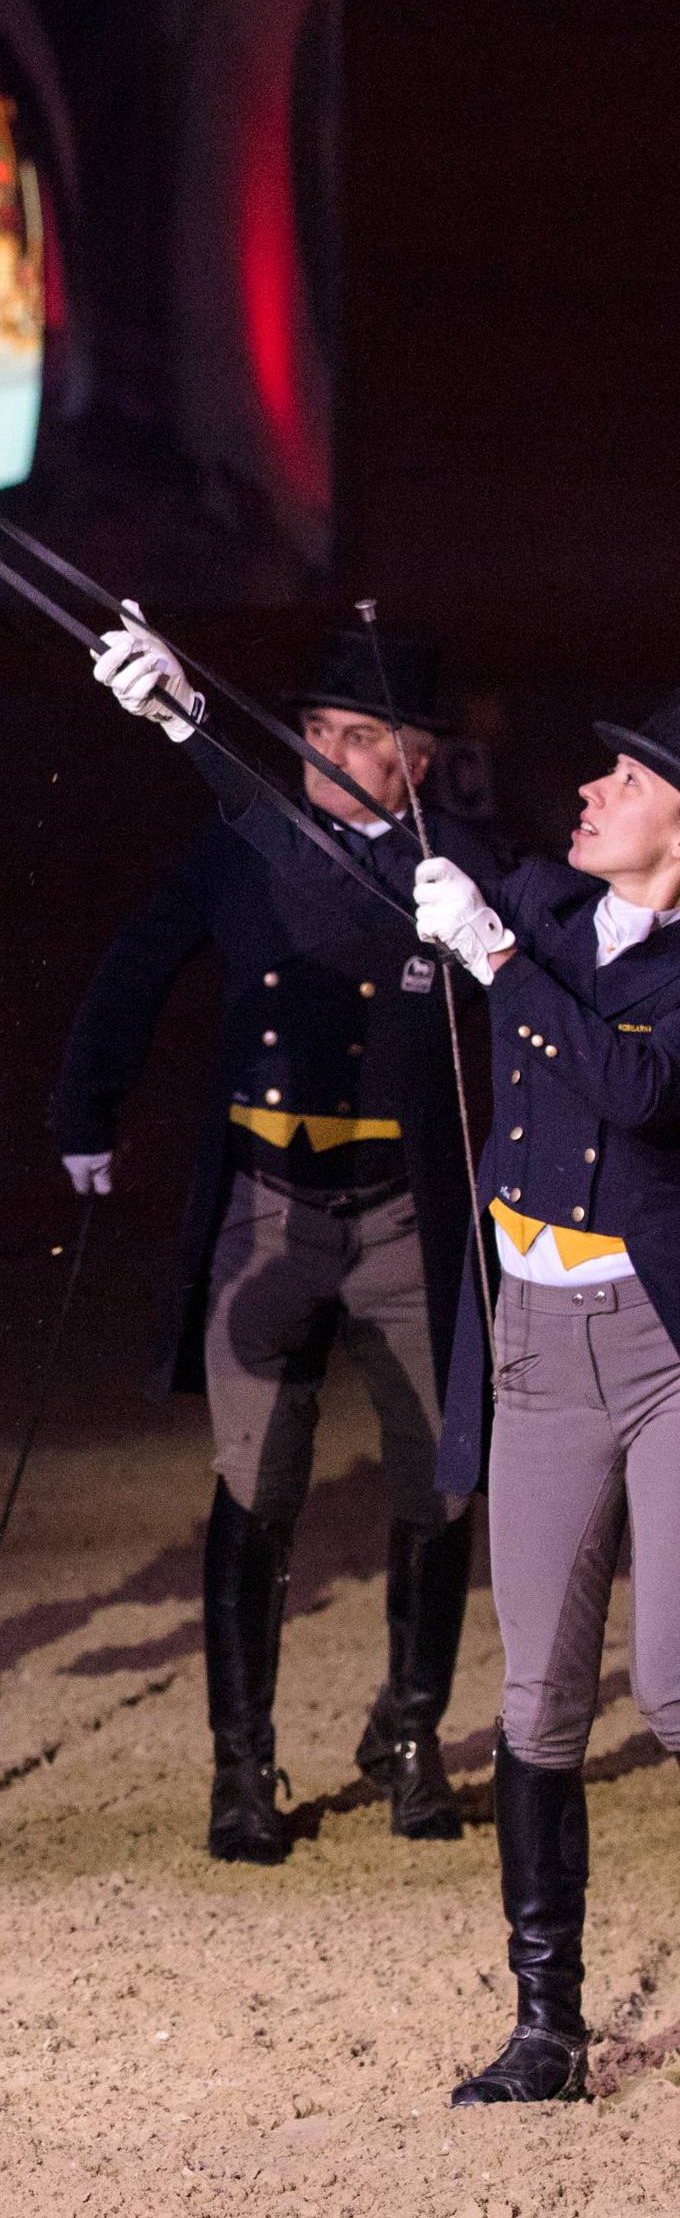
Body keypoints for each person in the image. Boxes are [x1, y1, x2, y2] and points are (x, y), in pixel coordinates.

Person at [56, 619, 501, 1866]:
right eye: (313, 733)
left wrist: (202, 737)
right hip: (270, 1197)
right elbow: (138, 961)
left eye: (361, 738)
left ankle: (409, 1732)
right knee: (255, 1487)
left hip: (401, 1207)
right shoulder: (247, 842)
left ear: (418, 759)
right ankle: (240, 1767)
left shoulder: (457, 866)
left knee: (439, 1481)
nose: (327, 755)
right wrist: (86, 1105)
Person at [406, 696, 680, 2105]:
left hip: (665, 1348)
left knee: (679, 1684)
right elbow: (375, 826)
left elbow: (633, 1083)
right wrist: (188, 718)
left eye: (626, 776)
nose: (592, 786)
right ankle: (546, 2027)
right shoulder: (549, 906)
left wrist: (499, 958)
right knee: (537, 1702)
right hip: (533, 1338)